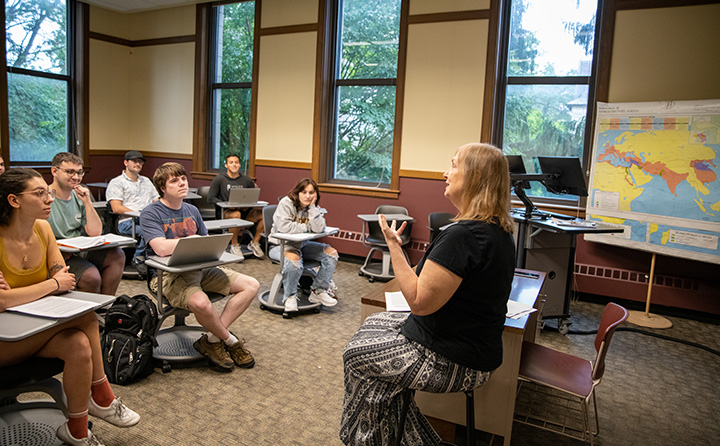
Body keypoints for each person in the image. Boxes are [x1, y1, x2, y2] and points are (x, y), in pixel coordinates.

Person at [340, 143, 516, 445]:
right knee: (372, 326)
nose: (445, 173)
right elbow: (424, 274)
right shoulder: (495, 230)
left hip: (452, 359)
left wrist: (395, 247)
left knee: (355, 355)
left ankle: (359, 439)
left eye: (454, 165)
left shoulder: (463, 236)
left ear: (474, 177)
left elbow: (419, 302)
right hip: (472, 347)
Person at [0, 168, 139, 446]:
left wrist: (29, 291)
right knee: (86, 318)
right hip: (5, 341)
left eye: (47, 192)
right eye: (39, 193)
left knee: (78, 344)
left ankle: (77, 431)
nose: (49, 198)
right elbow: (4, 302)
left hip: (35, 329)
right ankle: (101, 395)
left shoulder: (43, 229)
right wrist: (51, 285)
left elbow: (65, 278)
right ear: (14, 201)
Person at [139, 162, 259, 372]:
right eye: (174, 181)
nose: (182, 183)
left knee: (251, 285)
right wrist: (191, 240)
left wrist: (200, 243)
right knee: (202, 304)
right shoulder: (151, 212)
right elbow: (159, 247)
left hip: (199, 269)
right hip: (167, 275)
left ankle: (212, 340)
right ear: (162, 188)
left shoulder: (192, 210)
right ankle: (230, 341)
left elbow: (203, 243)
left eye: (183, 178)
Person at [47, 152, 125, 295]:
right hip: (54, 253)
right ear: (54, 171)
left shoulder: (80, 195)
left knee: (117, 254)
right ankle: (86, 315)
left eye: (79, 173)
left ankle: (104, 308)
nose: (76, 177)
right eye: (69, 172)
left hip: (76, 250)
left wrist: (87, 202)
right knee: (91, 276)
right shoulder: (44, 196)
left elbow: (95, 232)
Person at [269, 178, 338, 313]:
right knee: (294, 259)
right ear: (297, 192)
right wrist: (307, 227)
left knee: (331, 254)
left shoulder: (312, 207)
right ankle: (290, 297)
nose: (308, 196)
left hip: (301, 245)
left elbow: (318, 228)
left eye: (311, 192)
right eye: (304, 192)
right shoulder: (286, 203)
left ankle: (318, 291)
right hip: (280, 245)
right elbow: (284, 227)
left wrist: (312, 208)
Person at [106, 150, 159, 276]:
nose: (138, 164)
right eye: (134, 161)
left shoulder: (146, 181)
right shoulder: (117, 183)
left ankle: (156, 260)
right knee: (148, 231)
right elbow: (116, 208)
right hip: (127, 221)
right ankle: (138, 258)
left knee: (165, 228)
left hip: (147, 219)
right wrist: (139, 214)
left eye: (140, 161)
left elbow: (156, 201)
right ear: (125, 162)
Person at [207, 153, 265, 259]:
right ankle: (234, 245)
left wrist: (247, 206)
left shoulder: (247, 180)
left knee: (263, 215)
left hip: (245, 211)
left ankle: (254, 243)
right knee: (236, 214)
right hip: (226, 212)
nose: (234, 165)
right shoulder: (219, 179)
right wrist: (226, 204)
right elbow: (211, 198)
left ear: (239, 165)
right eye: (231, 162)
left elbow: (252, 197)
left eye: (236, 162)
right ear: (226, 165)